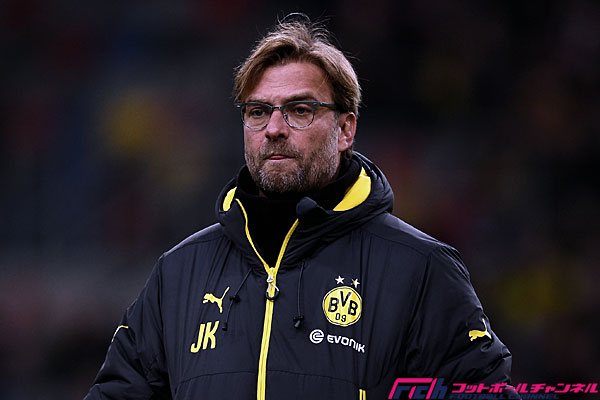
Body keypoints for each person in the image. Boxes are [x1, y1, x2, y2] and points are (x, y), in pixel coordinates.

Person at [85, 15, 514, 400]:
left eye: (299, 110)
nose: (274, 128)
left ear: (345, 129)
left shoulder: (421, 270)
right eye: (258, 112)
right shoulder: (178, 274)